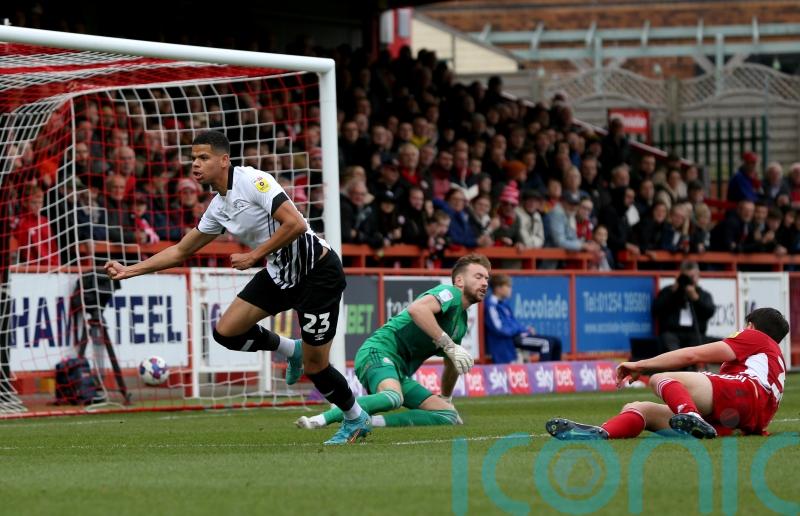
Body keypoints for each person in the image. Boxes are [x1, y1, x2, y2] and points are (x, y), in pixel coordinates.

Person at [104, 130, 367, 445]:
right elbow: (181, 251)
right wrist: (130, 270)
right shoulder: (218, 207)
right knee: (226, 332)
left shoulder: (254, 181)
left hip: (317, 273)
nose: (195, 164)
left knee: (316, 366)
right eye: (193, 158)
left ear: (224, 160)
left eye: (204, 157)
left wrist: (254, 256)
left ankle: (355, 418)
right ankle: (291, 349)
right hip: (280, 275)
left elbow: (296, 224)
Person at [296, 254, 489, 430]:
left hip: (398, 372)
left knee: (448, 415)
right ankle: (320, 420)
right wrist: (448, 344)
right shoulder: (450, 293)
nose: (484, 283)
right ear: (459, 280)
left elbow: (452, 363)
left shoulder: (461, 323)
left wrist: (446, 398)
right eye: (478, 276)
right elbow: (417, 310)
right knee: (393, 397)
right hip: (378, 351)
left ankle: (370, 421)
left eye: (487, 278)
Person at [546, 307, 789, 440]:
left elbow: (693, 355)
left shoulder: (754, 338)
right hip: (741, 421)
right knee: (639, 408)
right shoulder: (772, 359)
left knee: (661, 378)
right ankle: (602, 433)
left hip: (743, 395)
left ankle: (690, 416)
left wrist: (642, 365)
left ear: (751, 326)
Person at [484, 274, 561, 363]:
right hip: (508, 341)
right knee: (546, 344)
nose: (510, 290)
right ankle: (544, 371)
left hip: (516, 336)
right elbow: (499, 329)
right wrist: (518, 330)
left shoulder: (504, 304)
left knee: (557, 342)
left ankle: (554, 370)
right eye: (508, 286)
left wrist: (525, 329)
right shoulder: (491, 305)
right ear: (498, 288)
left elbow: (513, 324)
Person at [651, 260, 716, 354]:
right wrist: (673, 292)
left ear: (698, 276)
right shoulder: (669, 291)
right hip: (672, 333)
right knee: (668, 342)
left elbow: (709, 312)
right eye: (686, 277)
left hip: (695, 334)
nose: (689, 280)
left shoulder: (703, 295)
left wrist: (696, 298)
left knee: (702, 344)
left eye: (692, 277)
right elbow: (656, 310)